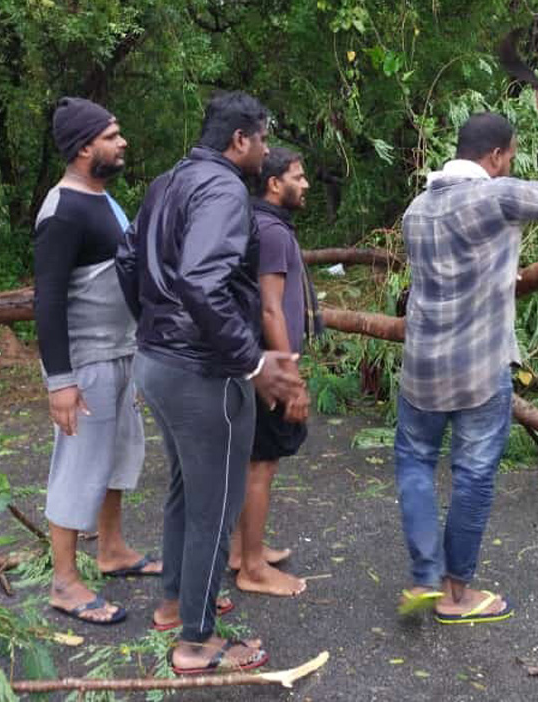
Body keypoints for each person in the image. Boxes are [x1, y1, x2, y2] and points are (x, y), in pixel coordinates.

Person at [395, 83, 538, 624]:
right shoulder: (495, 196)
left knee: (414, 461)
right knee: (473, 473)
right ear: (495, 156)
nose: (509, 167)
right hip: (480, 368)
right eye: (508, 158)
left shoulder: (417, 209)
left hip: (420, 367)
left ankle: (423, 576)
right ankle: (456, 594)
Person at [116, 90, 305, 674]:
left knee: (183, 491)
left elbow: (128, 259)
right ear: (240, 140)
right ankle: (197, 642)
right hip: (203, 370)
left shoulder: (166, 181)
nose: (268, 149)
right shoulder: (223, 188)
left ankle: (174, 604)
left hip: (157, 360)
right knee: (213, 507)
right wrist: (251, 362)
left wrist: (154, 324)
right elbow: (201, 280)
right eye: (264, 138)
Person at [34, 96, 161, 627]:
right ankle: (64, 581)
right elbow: (47, 300)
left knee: (117, 456)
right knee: (80, 465)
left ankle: (111, 550)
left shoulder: (102, 199)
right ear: (85, 146)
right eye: (112, 135)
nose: (122, 142)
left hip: (120, 353)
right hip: (85, 362)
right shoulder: (62, 211)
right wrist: (60, 383)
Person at [228, 147, 320, 597]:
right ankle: (252, 567)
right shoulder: (272, 231)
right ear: (273, 183)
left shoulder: (256, 222)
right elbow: (270, 309)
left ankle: (243, 549)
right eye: (297, 177)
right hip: (267, 364)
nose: (304, 185)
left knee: (250, 461)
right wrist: (289, 377)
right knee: (261, 464)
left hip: (254, 359)